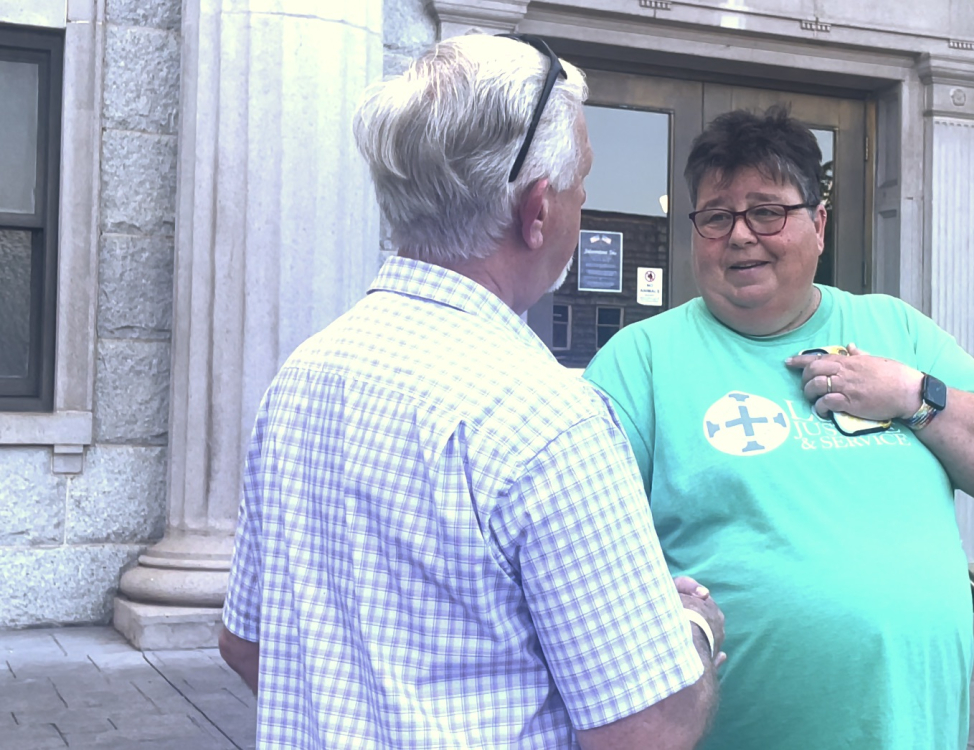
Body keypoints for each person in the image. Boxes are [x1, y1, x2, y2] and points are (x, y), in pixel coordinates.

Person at [218, 33, 725, 750]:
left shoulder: (303, 376)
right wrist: (690, 631)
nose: (585, 204)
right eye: (584, 180)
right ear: (538, 209)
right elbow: (648, 730)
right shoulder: (552, 419)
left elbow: (247, 644)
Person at [582, 105, 974, 749]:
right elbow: (577, 553)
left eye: (767, 211)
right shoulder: (641, 361)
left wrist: (913, 394)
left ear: (819, 223)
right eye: (717, 216)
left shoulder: (897, 331)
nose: (741, 235)